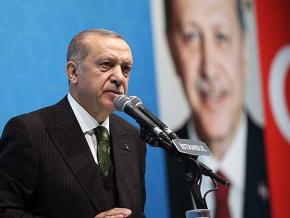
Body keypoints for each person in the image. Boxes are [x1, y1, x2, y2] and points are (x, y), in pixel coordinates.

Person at [0, 29, 146, 218]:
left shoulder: (133, 136)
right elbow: (5, 211)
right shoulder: (30, 131)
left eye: (126, 69)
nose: (119, 77)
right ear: (73, 72)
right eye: (106, 65)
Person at [164, 0, 271, 217]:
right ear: (173, 51)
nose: (209, 70)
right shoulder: (151, 174)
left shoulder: (281, 160)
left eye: (221, 36)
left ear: (245, 45)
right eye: (191, 37)